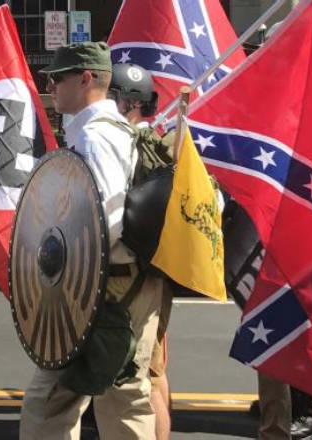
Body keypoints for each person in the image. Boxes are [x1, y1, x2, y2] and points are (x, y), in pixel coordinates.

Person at [19, 42, 164, 439]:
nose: (51, 86)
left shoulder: (97, 137)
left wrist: (72, 284)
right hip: (117, 282)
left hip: (107, 286)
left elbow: (103, 220)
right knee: (117, 395)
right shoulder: (108, 130)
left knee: (56, 402)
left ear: (85, 79)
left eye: (58, 78)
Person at [108, 61, 178, 440]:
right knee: (152, 371)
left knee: (143, 376)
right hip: (160, 273)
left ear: (123, 101)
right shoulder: (164, 146)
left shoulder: (124, 144)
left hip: (134, 279)